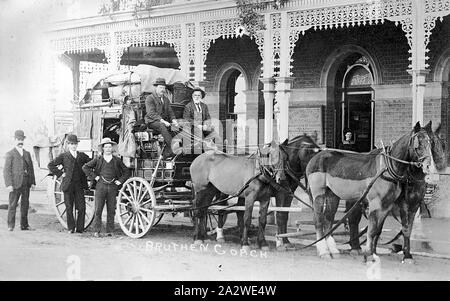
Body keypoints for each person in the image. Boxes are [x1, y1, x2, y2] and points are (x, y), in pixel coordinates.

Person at [82, 138, 131, 237]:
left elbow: (127, 171)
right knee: (98, 209)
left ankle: (110, 231)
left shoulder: (117, 160)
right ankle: (96, 230)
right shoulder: (98, 159)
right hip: (100, 186)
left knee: (111, 210)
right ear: (103, 149)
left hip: (113, 187)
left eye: (110, 147)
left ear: (112, 148)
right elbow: (85, 167)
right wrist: (95, 177)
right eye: (106, 147)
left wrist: (120, 181)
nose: (108, 149)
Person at [48, 134, 91, 233]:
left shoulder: (82, 156)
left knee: (81, 207)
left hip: (79, 185)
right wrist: (61, 174)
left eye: (75, 144)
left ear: (77, 145)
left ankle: (80, 229)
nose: (73, 146)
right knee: (69, 207)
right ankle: (71, 228)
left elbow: (91, 162)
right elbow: (51, 165)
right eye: (71, 144)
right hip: (68, 185)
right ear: (68, 144)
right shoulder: (64, 156)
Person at [3, 130, 36, 231]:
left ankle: (24, 225)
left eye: (22, 139)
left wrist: (33, 182)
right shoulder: (10, 154)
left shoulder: (27, 153)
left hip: (26, 183)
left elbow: (31, 169)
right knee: (12, 204)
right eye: (18, 139)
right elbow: (6, 170)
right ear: (14, 140)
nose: (20, 141)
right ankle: (10, 225)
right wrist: (8, 184)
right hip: (15, 183)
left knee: (25, 205)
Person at [144, 78, 179, 159]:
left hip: (163, 122)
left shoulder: (166, 99)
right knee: (161, 126)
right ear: (156, 88)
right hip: (152, 121)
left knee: (177, 128)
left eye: (163, 88)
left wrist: (174, 121)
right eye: (160, 87)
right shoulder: (150, 98)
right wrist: (163, 121)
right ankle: (172, 147)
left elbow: (170, 112)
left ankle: (167, 152)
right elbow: (151, 113)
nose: (162, 90)